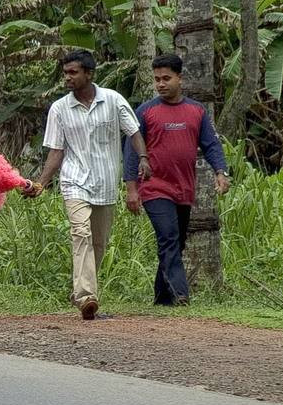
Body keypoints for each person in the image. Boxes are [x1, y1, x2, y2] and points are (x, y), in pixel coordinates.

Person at [23, 50, 150, 320]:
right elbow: (56, 151)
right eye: (65, 72)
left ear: (89, 74)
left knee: (99, 243)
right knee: (81, 234)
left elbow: (134, 132)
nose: (67, 77)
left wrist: (143, 158)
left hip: (105, 183)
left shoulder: (114, 101)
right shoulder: (60, 109)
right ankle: (86, 296)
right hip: (74, 182)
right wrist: (42, 184)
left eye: (73, 72)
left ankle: (80, 289)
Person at [122, 53, 230, 307]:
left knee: (177, 241)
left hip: (184, 187)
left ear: (180, 78)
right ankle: (181, 294)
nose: (161, 84)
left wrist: (220, 172)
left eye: (166, 78)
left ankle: (162, 298)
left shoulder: (196, 111)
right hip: (155, 187)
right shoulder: (145, 111)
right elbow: (131, 151)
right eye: (157, 79)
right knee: (169, 236)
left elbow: (212, 144)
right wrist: (131, 189)